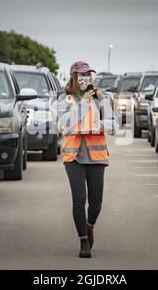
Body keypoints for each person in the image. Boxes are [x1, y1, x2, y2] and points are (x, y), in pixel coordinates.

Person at [57, 61, 118, 258]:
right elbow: (65, 124)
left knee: (96, 202)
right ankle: (83, 240)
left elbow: (114, 125)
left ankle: (89, 226)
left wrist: (101, 125)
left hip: (96, 155)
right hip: (73, 156)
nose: (86, 79)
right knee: (78, 199)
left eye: (88, 75)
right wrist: (83, 103)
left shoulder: (101, 98)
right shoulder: (65, 99)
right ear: (74, 77)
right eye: (82, 75)